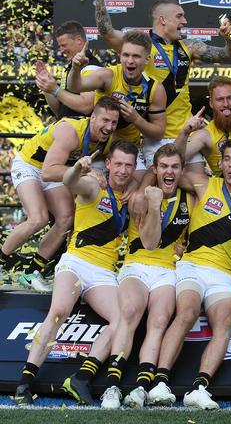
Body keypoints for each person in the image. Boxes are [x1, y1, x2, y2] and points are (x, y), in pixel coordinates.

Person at [147, 136, 231, 410]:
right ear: (220, 163)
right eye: (227, 159)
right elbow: (168, 169)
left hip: (222, 275)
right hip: (192, 265)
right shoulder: (205, 182)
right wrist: (185, 134)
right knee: (185, 313)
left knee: (225, 322)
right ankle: (160, 382)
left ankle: (200, 387)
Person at [65, 144, 193, 408]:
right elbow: (149, 242)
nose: (169, 172)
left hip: (167, 271)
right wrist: (156, 206)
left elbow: (193, 239)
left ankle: (141, 388)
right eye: (164, 166)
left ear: (181, 171)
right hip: (136, 266)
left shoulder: (189, 199)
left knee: (158, 321)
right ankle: (112, 387)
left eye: (175, 167)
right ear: (155, 170)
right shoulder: (139, 197)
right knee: (131, 312)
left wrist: (184, 250)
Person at [13, 140, 138, 405]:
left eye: (129, 165)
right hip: (76, 263)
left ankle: (81, 376)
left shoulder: (131, 195)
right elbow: (71, 182)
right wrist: (76, 169)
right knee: (58, 312)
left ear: (135, 167)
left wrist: (137, 187)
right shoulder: (93, 184)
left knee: (122, 321)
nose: (123, 170)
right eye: (118, 164)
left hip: (104, 273)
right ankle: (25, 381)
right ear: (108, 164)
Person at [94, 0, 231, 168]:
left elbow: (228, 57)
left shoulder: (189, 46)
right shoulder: (140, 46)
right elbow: (107, 32)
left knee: (197, 184)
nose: (185, 21)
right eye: (179, 16)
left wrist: (229, 39)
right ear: (163, 19)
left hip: (187, 134)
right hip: (154, 137)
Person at [3, 97, 120, 291]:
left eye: (114, 122)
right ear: (92, 118)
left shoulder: (107, 141)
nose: (109, 127)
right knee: (38, 218)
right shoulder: (71, 131)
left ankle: (32, 272)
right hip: (30, 165)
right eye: (105, 120)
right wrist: (87, 170)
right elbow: (48, 172)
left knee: (66, 218)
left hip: (55, 170)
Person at [66, 30, 167, 152]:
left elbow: (159, 133)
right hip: (95, 147)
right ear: (119, 56)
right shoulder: (108, 75)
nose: (130, 61)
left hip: (126, 150)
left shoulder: (155, 89)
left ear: (146, 60)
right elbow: (74, 86)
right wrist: (75, 69)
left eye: (136, 56)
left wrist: (136, 119)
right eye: (126, 55)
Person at [175, 75, 231, 189]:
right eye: (220, 99)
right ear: (211, 103)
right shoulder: (205, 135)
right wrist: (185, 132)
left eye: (230, 98)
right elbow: (174, 158)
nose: (226, 104)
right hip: (228, 199)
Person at [35, 20, 102, 119]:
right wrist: (47, 88)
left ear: (79, 41)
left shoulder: (91, 67)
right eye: (60, 46)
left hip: (80, 132)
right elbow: (60, 110)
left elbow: (86, 106)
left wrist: (55, 90)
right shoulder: (70, 67)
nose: (61, 50)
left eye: (64, 45)